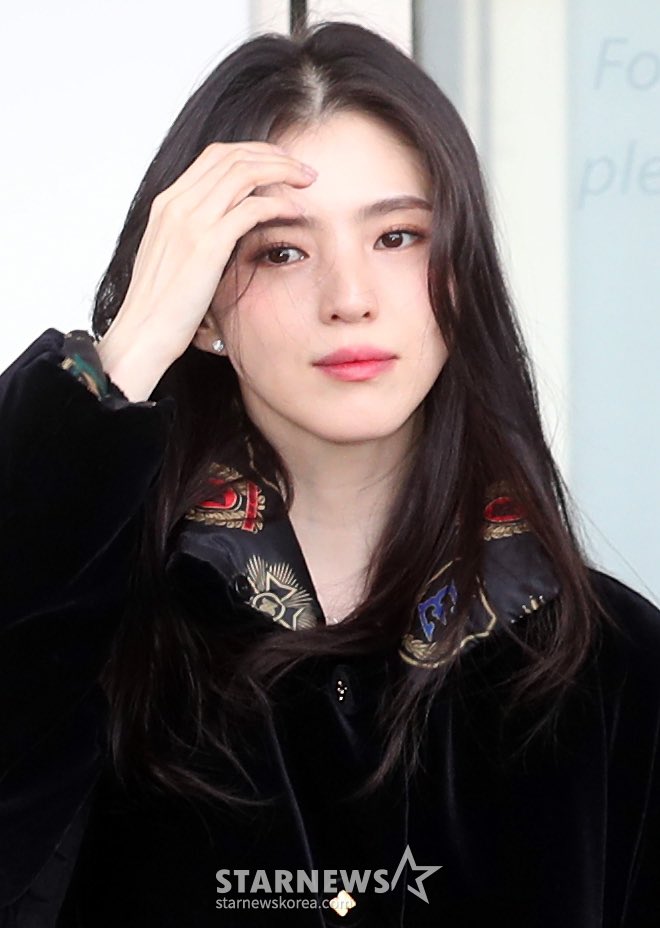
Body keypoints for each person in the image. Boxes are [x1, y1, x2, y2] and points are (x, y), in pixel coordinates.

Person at [0, 18, 659, 928]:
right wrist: (128, 348)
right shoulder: (96, 636)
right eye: (282, 250)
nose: (349, 298)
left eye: (398, 237)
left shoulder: (614, 666)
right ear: (202, 304)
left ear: (461, 273)